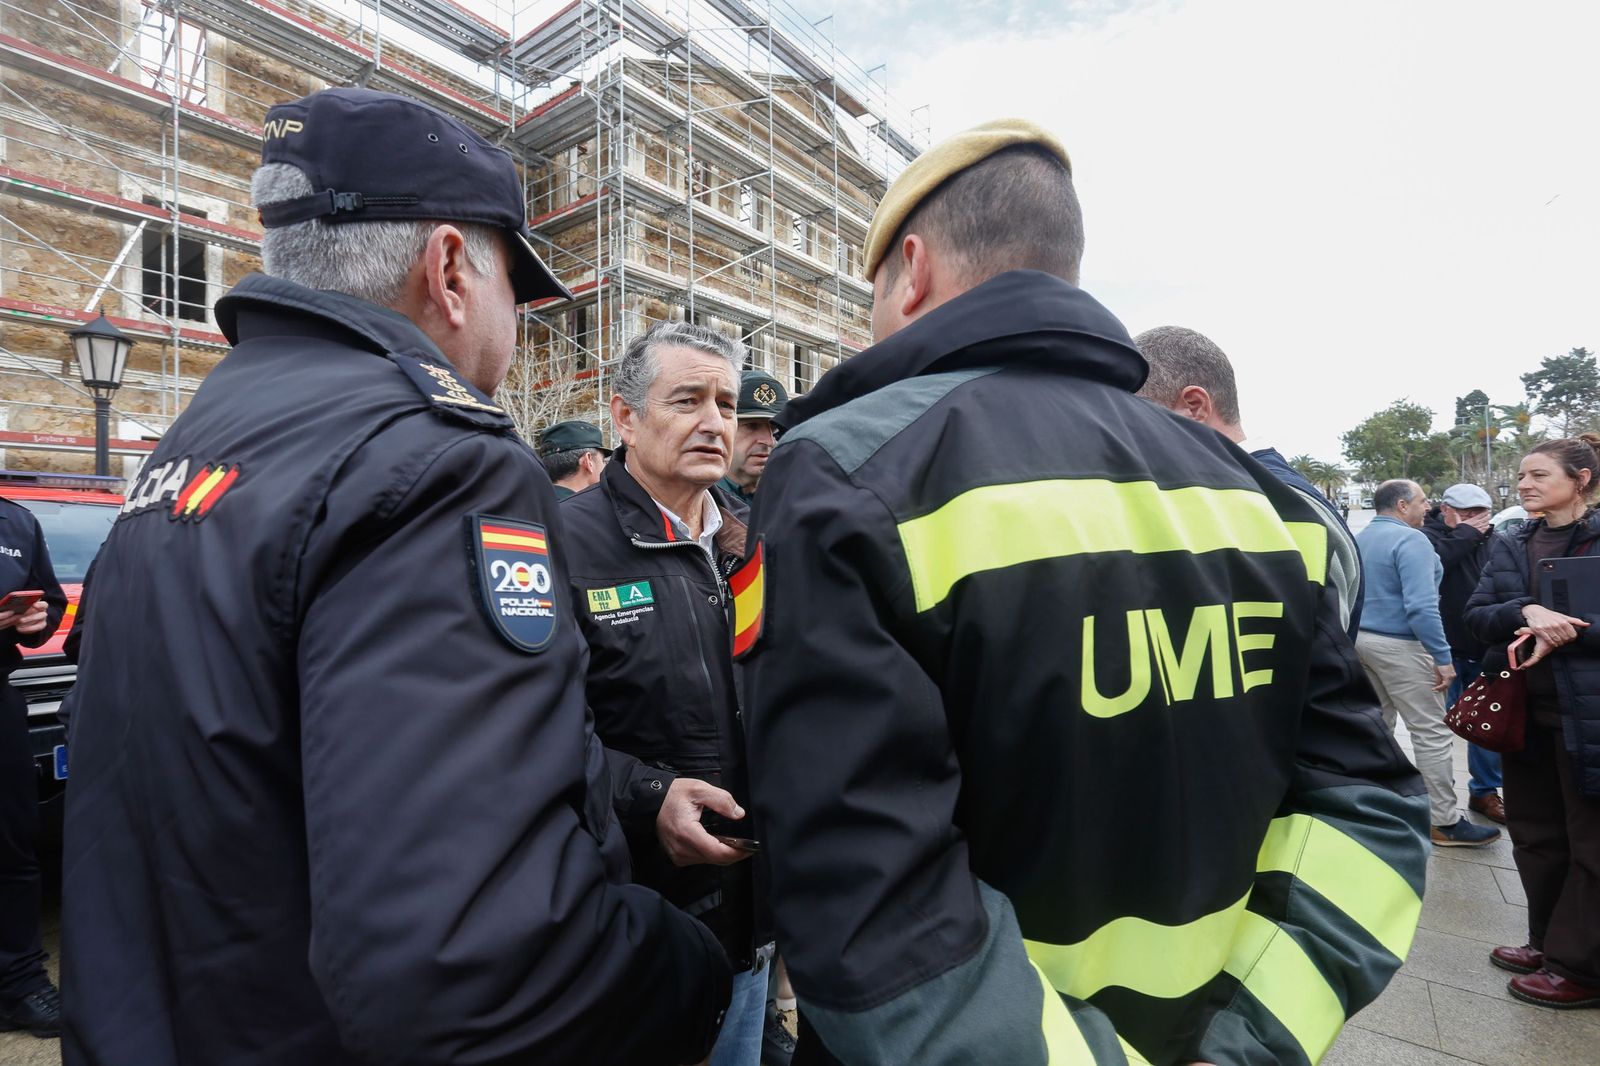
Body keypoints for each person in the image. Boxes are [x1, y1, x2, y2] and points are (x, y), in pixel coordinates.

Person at [59, 88, 731, 1066]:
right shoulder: (437, 461)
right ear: (450, 269)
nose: (517, 323)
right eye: (515, 287)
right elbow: (473, 963)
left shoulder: (196, 442)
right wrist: (684, 971)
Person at [739, 118, 1430, 1064]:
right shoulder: (1263, 500)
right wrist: (1249, 1044)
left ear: (913, 271)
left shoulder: (851, 471)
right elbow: (1366, 811)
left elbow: (863, 888)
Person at [561, 321, 772, 1066]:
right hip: (634, 933)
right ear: (624, 417)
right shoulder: (559, 540)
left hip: (753, 926)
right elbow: (534, 728)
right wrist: (648, 795)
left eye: (726, 403)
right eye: (687, 400)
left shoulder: (753, 544)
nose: (715, 422)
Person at [1465, 435, 1600, 1009]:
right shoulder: (1512, 541)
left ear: (1582, 479)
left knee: (1591, 845)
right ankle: (1546, 943)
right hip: (1524, 716)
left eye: (1539, 475)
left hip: (1588, 719)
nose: (1524, 485)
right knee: (1537, 836)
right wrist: (1526, 610)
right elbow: (1476, 617)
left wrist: (1568, 629)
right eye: (1522, 475)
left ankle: (1582, 968)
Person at [1133, 324, 1364, 639]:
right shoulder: (1244, 495)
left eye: (1138, 416)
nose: (1130, 433)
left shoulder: (1284, 505)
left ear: (1195, 406)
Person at [1355, 479, 1499, 848]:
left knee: (1378, 727)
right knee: (1431, 733)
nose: (1428, 507)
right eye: (1422, 501)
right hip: (1402, 645)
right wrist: (1442, 657)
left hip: (1362, 642)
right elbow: (1421, 607)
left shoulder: (1361, 537)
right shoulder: (1411, 540)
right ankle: (1444, 821)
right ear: (1402, 505)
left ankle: (1374, 806)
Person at [0, 496, 66, 1039]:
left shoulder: (17, 521)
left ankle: (19, 982)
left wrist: (37, 623)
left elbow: (51, 600)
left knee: (12, 844)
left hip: (1, 697)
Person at [1423, 482, 1503, 823]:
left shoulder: (1498, 541)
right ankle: (1439, 801)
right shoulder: (1426, 537)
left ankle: (1485, 791)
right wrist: (1466, 534)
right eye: (1467, 514)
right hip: (1444, 651)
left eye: (1480, 514)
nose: (1476, 521)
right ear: (1446, 510)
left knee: (1486, 725)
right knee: (1436, 728)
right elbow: (1434, 566)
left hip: (1486, 649)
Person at [717, 369, 788, 507]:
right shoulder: (701, 500)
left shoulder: (790, 496)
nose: (769, 441)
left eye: (774, 428)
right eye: (752, 426)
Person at [538, 418, 610, 498]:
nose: (605, 467)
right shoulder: (589, 504)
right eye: (603, 461)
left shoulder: (534, 500)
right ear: (588, 461)